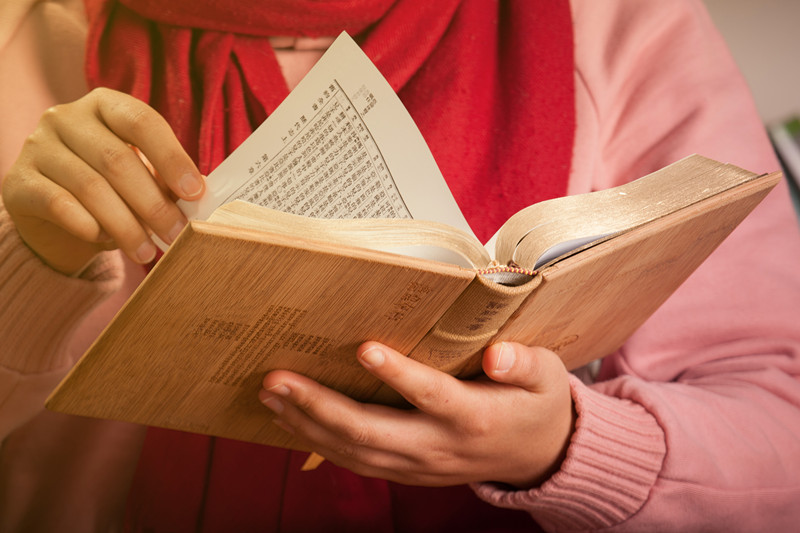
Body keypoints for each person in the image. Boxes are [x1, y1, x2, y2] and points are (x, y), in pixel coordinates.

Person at [1, 0, 799, 531]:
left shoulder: (618, 23)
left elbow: (778, 424)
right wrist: (36, 259)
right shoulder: (31, 33)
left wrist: (564, 448)